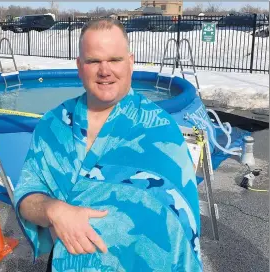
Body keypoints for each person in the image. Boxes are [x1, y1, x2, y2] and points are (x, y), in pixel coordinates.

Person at [14, 18, 203, 272]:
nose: (105, 70)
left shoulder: (160, 130)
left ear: (131, 62)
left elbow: (180, 221)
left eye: (114, 60)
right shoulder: (53, 125)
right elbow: (27, 194)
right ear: (80, 67)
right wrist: (54, 210)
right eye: (93, 61)